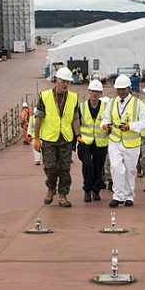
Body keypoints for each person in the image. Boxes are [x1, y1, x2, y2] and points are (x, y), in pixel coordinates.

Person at [34, 66, 80, 207]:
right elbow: (39, 118)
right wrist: (36, 138)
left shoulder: (73, 97)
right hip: (49, 138)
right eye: (63, 81)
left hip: (65, 138)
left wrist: (78, 135)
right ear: (56, 80)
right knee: (50, 166)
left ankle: (63, 194)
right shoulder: (45, 96)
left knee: (65, 168)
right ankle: (51, 188)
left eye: (68, 82)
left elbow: (75, 118)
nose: (65, 84)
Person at [102, 74, 145, 207]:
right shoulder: (111, 103)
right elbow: (106, 118)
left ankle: (129, 196)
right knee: (116, 167)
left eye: (123, 89)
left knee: (130, 170)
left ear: (128, 89)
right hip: (115, 141)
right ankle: (118, 196)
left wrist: (131, 126)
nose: (121, 92)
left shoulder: (138, 104)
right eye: (118, 89)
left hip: (131, 143)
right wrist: (105, 125)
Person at [76, 80, 109, 202]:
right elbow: (76, 122)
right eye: (93, 91)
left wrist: (108, 127)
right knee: (87, 165)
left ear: (101, 93)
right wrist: (77, 136)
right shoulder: (82, 107)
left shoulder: (106, 108)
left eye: (97, 92)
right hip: (85, 141)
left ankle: (96, 191)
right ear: (89, 92)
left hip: (100, 142)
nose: (95, 94)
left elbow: (111, 121)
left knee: (98, 167)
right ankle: (87, 190)